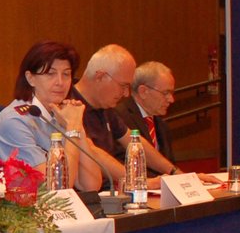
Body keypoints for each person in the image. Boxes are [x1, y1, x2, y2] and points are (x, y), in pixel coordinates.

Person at [0, 40, 103, 192]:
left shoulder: (59, 115)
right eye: (51, 73)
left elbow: (91, 185)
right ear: (30, 78)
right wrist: (73, 128)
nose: (60, 82)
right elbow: (57, 188)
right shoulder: (15, 121)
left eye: (66, 74)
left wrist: (77, 124)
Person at [71, 43, 179, 183]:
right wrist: (140, 182)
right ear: (100, 77)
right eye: (123, 86)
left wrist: (175, 172)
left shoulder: (105, 107)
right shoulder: (70, 104)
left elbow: (134, 141)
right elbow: (93, 152)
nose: (126, 93)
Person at [117, 60, 182, 170]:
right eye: (166, 93)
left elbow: (170, 165)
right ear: (143, 91)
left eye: (172, 93)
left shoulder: (161, 125)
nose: (171, 99)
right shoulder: (120, 118)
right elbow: (124, 164)